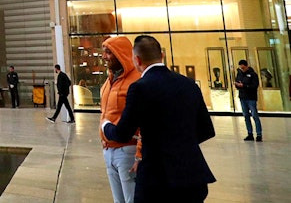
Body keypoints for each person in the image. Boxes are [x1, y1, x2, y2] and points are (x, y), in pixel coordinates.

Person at [103, 34, 215, 202]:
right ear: (162, 55)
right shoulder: (189, 84)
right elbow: (206, 130)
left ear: (137, 60)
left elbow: (123, 133)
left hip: (157, 177)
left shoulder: (140, 88)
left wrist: (106, 126)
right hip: (192, 174)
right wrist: (181, 144)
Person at [99, 36, 141, 203]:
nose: (104, 57)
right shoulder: (109, 80)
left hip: (127, 150)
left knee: (132, 199)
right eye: (104, 52)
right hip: (108, 149)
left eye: (109, 52)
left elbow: (144, 121)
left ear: (121, 54)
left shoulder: (136, 81)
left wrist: (139, 153)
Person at [234, 59, 262, 142]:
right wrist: (238, 85)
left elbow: (255, 85)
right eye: (241, 68)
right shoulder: (239, 74)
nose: (242, 69)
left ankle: (259, 134)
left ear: (247, 66)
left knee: (254, 115)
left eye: (243, 68)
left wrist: (244, 86)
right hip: (243, 97)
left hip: (251, 98)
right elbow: (237, 83)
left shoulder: (253, 74)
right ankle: (250, 133)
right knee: (246, 116)